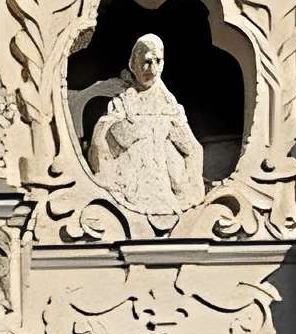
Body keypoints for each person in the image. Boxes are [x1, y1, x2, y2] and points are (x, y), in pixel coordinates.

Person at [85, 32, 206, 231]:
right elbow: (104, 148)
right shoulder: (121, 105)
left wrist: (190, 194)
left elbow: (193, 149)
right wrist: (130, 130)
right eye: (147, 62)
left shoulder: (170, 108)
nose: (153, 69)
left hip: (167, 198)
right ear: (134, 64)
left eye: (158, 61)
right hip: (129, 195)